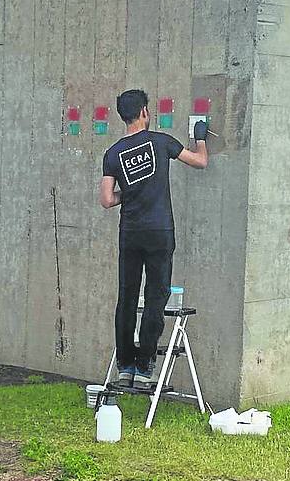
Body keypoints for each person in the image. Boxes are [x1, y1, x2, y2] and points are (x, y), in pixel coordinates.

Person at [99, 89, 208, 389]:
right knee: (156, 298)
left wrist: (129, 193)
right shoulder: (161, 142)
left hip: (130, 232)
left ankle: (125, 367)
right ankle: (145, 367)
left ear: (123, 116)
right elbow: (200, 162)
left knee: (128, 297)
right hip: (159, 231)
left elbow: (107, 199)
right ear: (144, 112)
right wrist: (200, 136)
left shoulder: (112, 154)